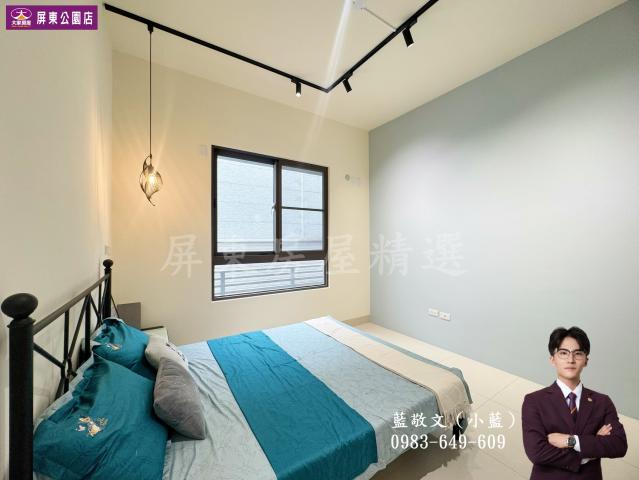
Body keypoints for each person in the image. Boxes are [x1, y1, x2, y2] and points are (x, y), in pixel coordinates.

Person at [521, 326, 627, 479]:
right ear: (552, 359)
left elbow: (618, 445)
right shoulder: (534, 401)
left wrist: (571, 441)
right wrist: (591, 448)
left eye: (578, 353)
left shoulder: (602, 402)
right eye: (563, 353)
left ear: (586, 361)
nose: (570, 360)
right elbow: (536, 452)